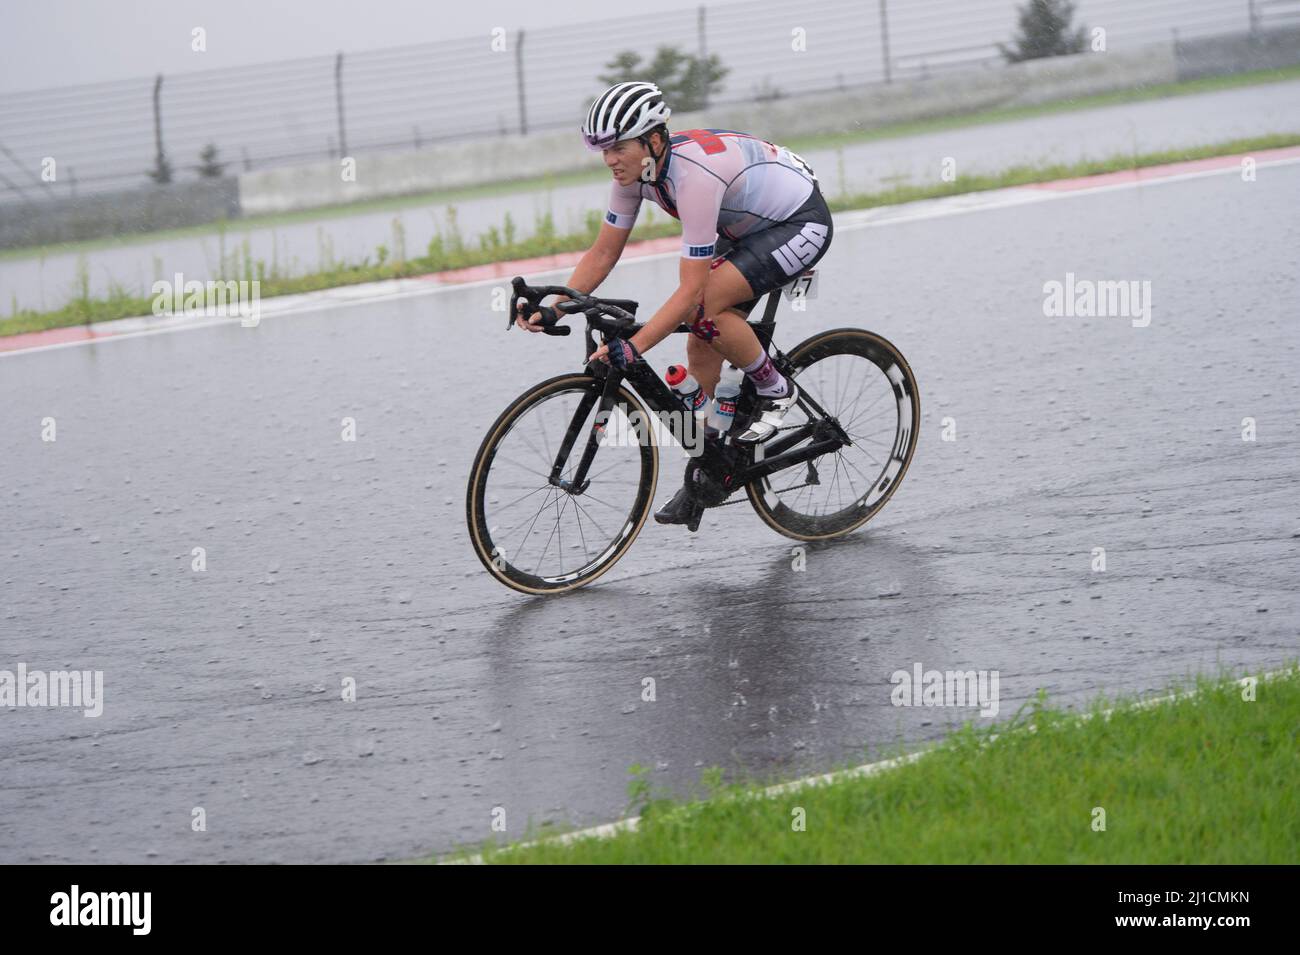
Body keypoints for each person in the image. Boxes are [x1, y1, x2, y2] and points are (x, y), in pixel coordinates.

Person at [515, 80, 834, 526]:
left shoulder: (693, 178)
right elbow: (604, 252)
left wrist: (636, 346)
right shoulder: (635, 175)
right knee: (701, 341)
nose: (609, 160)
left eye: (618, 147)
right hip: (744, 226)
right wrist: (555, 306)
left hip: (797, 221)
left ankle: (776, 389)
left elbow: (689, 293)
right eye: (603, 150)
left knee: (704, 306)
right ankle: (712, 466)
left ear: (655, 140)